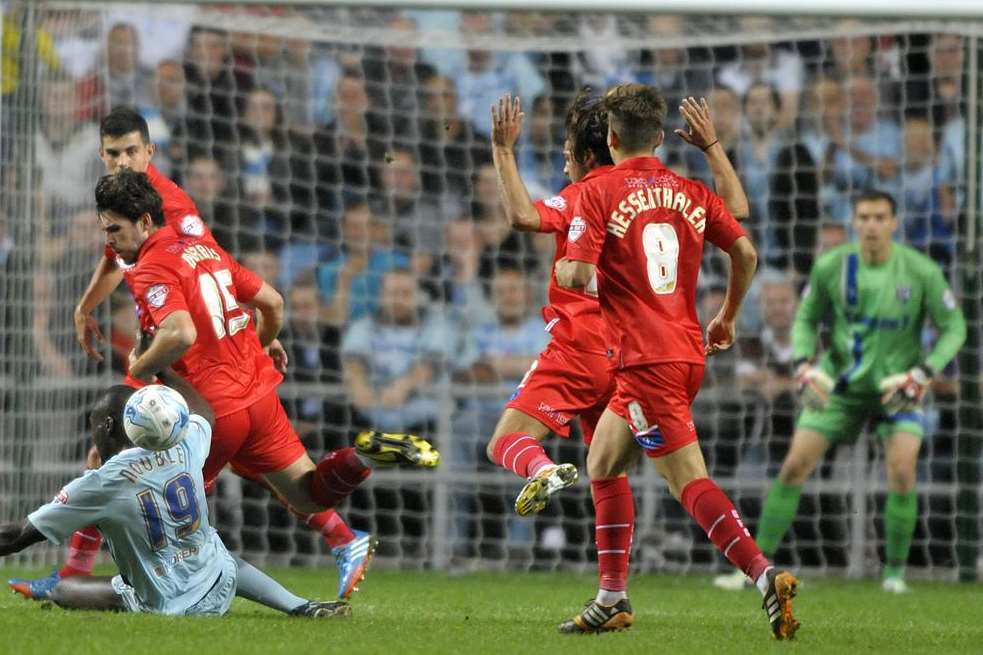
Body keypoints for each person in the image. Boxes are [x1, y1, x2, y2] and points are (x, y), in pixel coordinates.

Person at [14, 108, 371, 602]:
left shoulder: (172, 208)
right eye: (113, 153)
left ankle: (123, 577)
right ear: (101, 153)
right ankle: (344, 526)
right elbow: (127, 258)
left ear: (149, 152)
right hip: (212, 364)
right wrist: (84, 308)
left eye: (131, 152)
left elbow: (196, 280)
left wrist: (231, 334)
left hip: (191, 365)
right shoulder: (126, 211)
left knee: (134, 468)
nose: (121, 161)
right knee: (131, 456)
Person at [554, 83, 798, 639]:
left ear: (611, 139)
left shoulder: (596, 191)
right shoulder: (687, 189)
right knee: (602, 462)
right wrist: (728, 316)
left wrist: (589, 268)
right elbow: (744, 244)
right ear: (660, 138)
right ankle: (611, 598)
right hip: (685, 350)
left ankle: (765, 576)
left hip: (644, 361)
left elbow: (571, 275)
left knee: (687, 479)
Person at [487, 90, 750, 602]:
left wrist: (502, 150)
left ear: (594, 152)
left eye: (567, 151)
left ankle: (542, 470)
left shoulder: (585, 193)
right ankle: (612, 593)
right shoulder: (656, 191)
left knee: (505, 442)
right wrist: (713, 146)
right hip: (625, 353)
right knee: (606, 470)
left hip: (581, 347)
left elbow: (523, 217)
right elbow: (736, 214)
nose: (563, 159)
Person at [713, 190, 966, 594]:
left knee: (902, 470)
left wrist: (923, 373)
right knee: (794, 465)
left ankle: (895, 575)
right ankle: (754, 570)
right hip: (839, 388)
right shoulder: (833, 266)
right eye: (864, 217)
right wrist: (801, 366)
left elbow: (955, 328)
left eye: (880, 218)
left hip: (897, 390)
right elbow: (806, 320)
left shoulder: (921, 271)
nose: (871, 225)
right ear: (854, 222)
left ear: (894, 223)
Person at [1, 369, 349, 619]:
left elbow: (17, 536)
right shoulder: (185, 445)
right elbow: (205, 414)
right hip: (220, 585)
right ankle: (298, 605)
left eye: (93, 423)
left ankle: (86, 587)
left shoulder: (101, 483)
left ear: (107, 426)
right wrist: (164, 369)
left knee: (64, 589)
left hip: (168, 602)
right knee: (216, 553)